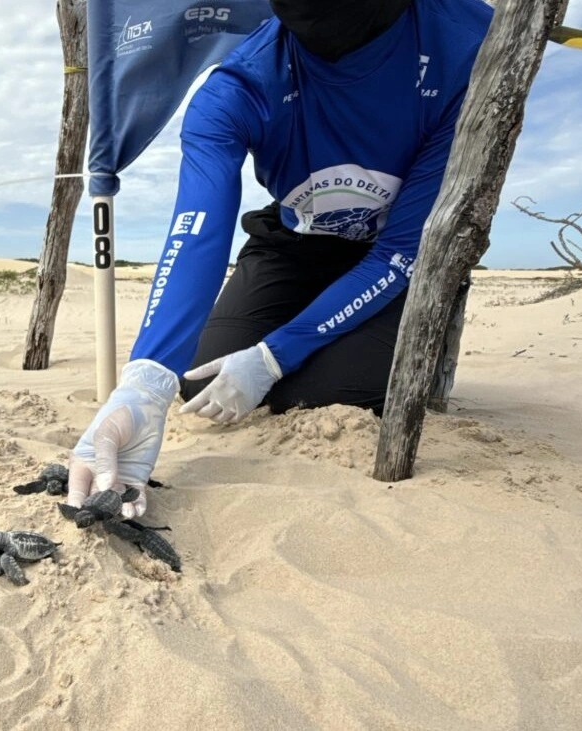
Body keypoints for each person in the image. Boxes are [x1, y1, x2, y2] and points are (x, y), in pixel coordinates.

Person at [68, 0, 492, 518]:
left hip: (401, 254)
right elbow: (198, 227)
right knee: (197, 377)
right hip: (296, 239)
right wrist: (145, 383)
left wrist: (273, 356)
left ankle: (395, 333)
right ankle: (303, 329)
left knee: (336, 387)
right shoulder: (237, 89)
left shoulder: (466, 47)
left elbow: (402, 251)